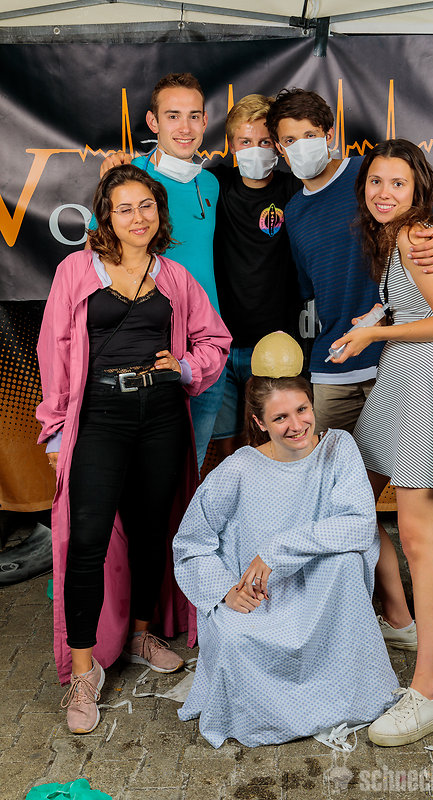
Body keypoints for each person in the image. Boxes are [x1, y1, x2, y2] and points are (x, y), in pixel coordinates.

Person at [37, 164, 231, 734]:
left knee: (152, 531)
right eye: (124, 208)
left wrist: (187, 367)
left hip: (161, 416)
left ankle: (142, 634)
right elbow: (55, 350)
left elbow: (214, 338)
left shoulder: (174, 276)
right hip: (99, 416)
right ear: (105, 217)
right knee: (87, 541)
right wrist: (55, 430)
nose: (138, 217)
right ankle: (83, 672)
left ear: (159, 213)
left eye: (146, 206)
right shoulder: (76, 271)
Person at [173, 332, 398, 749]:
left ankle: (347, 697)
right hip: (263, 597)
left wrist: (276, 550)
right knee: (236, 636)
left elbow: (359, 525)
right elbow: (190, 544)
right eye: (280, 418)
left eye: (302, 409)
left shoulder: (339, 448)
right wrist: (224, 591)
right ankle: (273, 716)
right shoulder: (238, 469)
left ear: (313, 405)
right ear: (259, 423)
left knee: (348, 560)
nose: (296, 426)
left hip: (323, 594)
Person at [330, 139, 433, 746]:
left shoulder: (421, 237)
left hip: (425, 388)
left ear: (419, 189)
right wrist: (378, 317)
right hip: (401, 383)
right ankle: (399, 618)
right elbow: (420, 304)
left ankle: (428, 692)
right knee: (354, 505)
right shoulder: (398, 237)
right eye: (375, 181)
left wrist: (376, 336)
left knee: (420, 539)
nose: (384, 192)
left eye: (397, 182)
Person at [266, 89, 433, 436]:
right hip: (335, 362)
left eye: (310, 135)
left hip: (392, 359)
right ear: (278, 147)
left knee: (402, 461)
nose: (301, 146)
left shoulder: (371, 175)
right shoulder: (295, 211)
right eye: (290, 139)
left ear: (329, 135)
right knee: (330, 463)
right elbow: (308, 287)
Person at [96, 73, 222, 470]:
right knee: (144, 474)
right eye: (173, 116)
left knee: (188, 470)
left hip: (204, 346)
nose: (185, 127)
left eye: (193, 116)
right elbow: (93, 259)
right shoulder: (128, 177)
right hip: (148, 346)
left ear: (205, 121)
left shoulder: (211, 184)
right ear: (153, 122)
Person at [210, 94, 302, 458]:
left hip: (273, 343)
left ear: (278, 146)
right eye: (245, 142)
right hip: (218, 343)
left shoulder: (293, 189)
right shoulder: (215, 184)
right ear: (231, 145)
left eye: (264, 142)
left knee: (266, 443)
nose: (255, 150)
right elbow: (160, 182)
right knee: (225, 446)